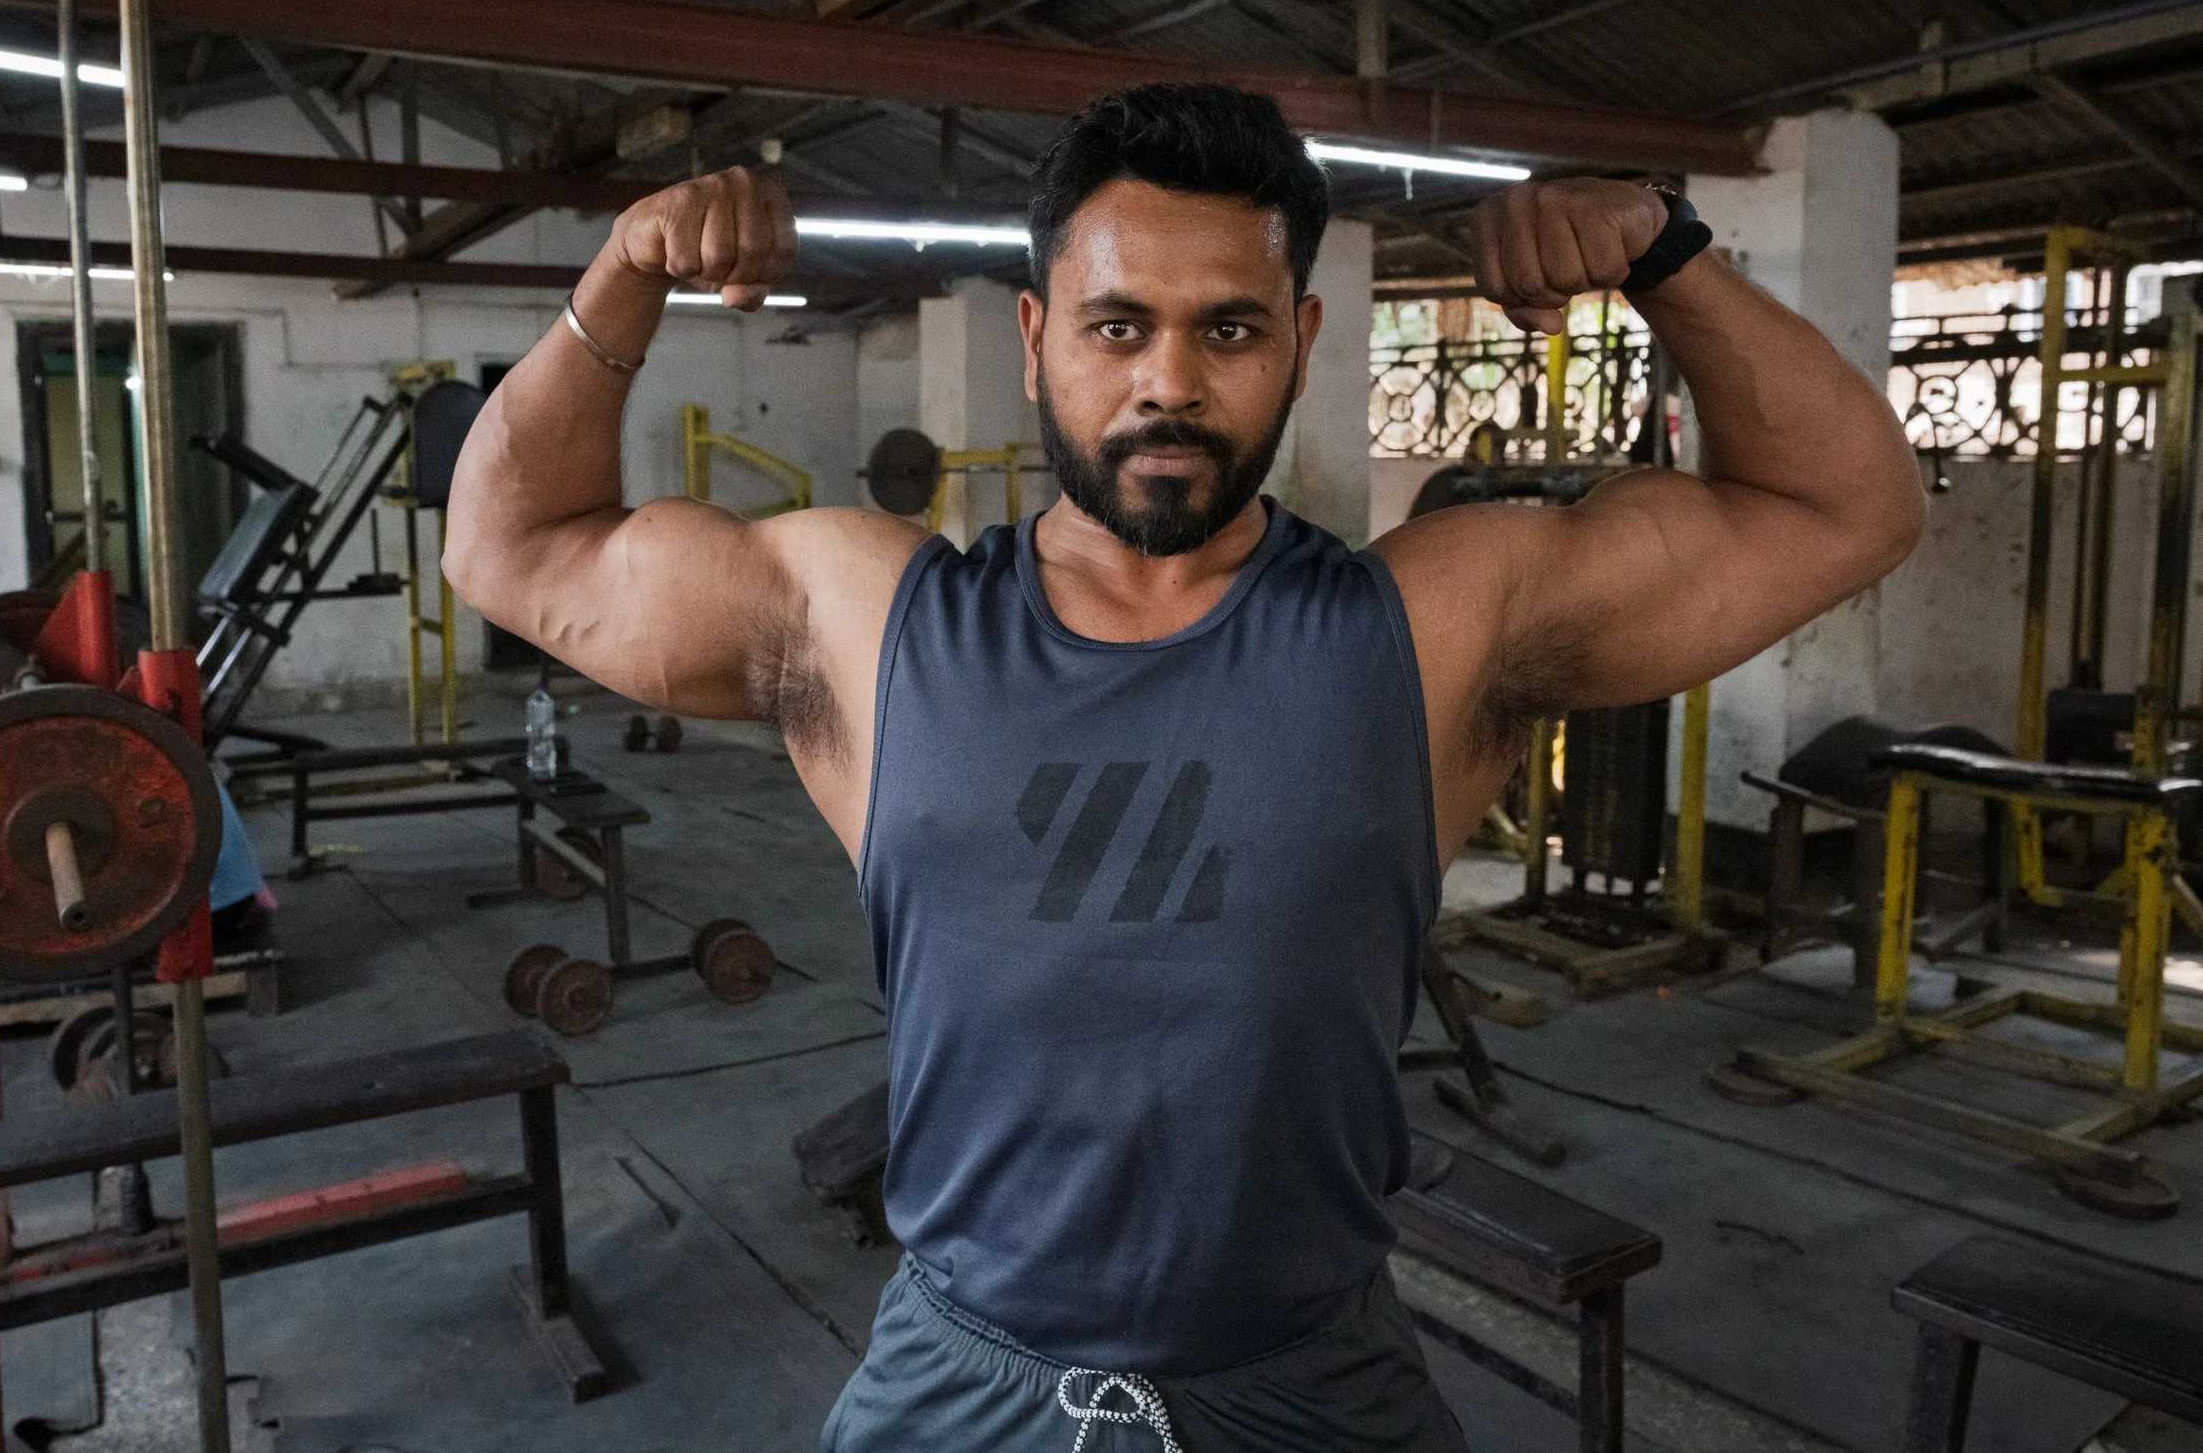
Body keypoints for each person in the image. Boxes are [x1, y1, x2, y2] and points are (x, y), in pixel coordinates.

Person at [444, 84, 1922, 1451]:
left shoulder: (1439, 626)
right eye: (1115, 326)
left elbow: (1844, 506)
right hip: (965, 1385)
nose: (1170, 381)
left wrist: (1671, 257)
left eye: (1228, 329)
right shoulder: (866, 622)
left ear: (1302, 338)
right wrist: (621, 276)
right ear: (1032, 337)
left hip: (1311, 1385)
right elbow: (511, 550)